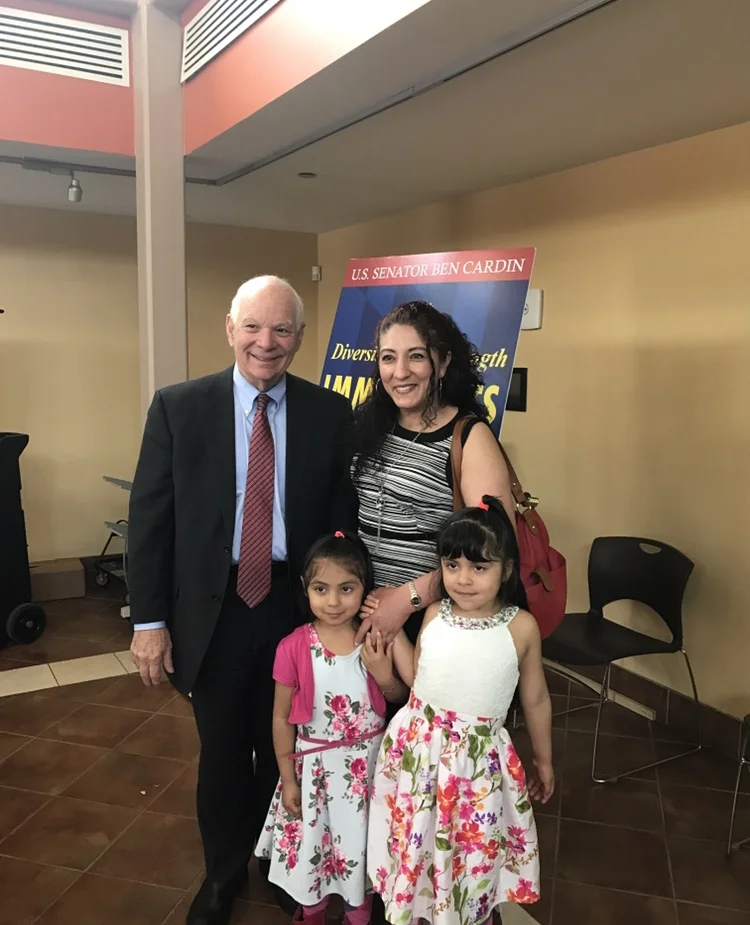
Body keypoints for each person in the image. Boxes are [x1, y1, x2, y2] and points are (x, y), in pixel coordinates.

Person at [127, 276, 358, 925]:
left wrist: (343, 606)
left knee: (286, 741)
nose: (266, 341)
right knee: (224, 750)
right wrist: (149, 621)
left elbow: (342, 517)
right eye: (253, 326)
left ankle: (279, 860)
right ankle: (223, 872)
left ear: (299, 337)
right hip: (214, 609)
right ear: (230, 329)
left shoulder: (329, 413)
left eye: (282, 329)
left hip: (296, 604)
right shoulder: (179, 407)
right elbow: (150, 520)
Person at [367, 495, 554, 925]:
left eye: (479, 567)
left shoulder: (521, 628)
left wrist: (544, 759)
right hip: (419, 757)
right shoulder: (434, 613)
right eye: (452, 565)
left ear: (506, 570)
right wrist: (392, 637)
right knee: (419, 843)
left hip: (476, 771)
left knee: (470, 854)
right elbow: (420, 677)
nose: (463, 579)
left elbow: (536, 698)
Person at [255, 531, 412, 925]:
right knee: (315, 851)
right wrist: (287, 778)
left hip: (367, 777)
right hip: (316, 776)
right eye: (321, 589)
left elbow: (399, 696)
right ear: (305, 588)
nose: (334, 601)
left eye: (346, 588)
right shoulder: (293, 647)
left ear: (365, 589)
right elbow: (280, 718)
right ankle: (313, 912)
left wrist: (383, 674)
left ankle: (358, 914)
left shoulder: (376, 638)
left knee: (361, 851)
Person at [350, 300, 516, 646]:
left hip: (432, 620)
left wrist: (406, 599)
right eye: (388, 358)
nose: (400, 372)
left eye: (416, 356)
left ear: (443, 363)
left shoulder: (469, 437)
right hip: (363, 610)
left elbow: (495, 547)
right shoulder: (370, 426)